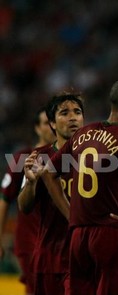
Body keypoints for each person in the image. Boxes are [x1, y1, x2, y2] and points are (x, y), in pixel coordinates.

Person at [42, 78, 118, 295]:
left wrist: (71, 214)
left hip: (78, 236)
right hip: (111, 232)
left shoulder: (82, 134)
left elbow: (48, 172)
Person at [18, 92, 85, 295]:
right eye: (64, 113)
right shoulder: (38, 157)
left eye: (77, 112)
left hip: (82, 255)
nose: (73, 117)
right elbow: (24, 206)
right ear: (53, 124)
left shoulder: (96, 156)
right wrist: (30, 183)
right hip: (50, 256)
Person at [0, 106, 55, 295]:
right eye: (46, 123)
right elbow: (4, 200)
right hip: (30, 240)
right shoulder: (22, 158)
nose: (51, 127)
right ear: (37, 128)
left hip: (56, 241)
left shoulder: (65, 158)